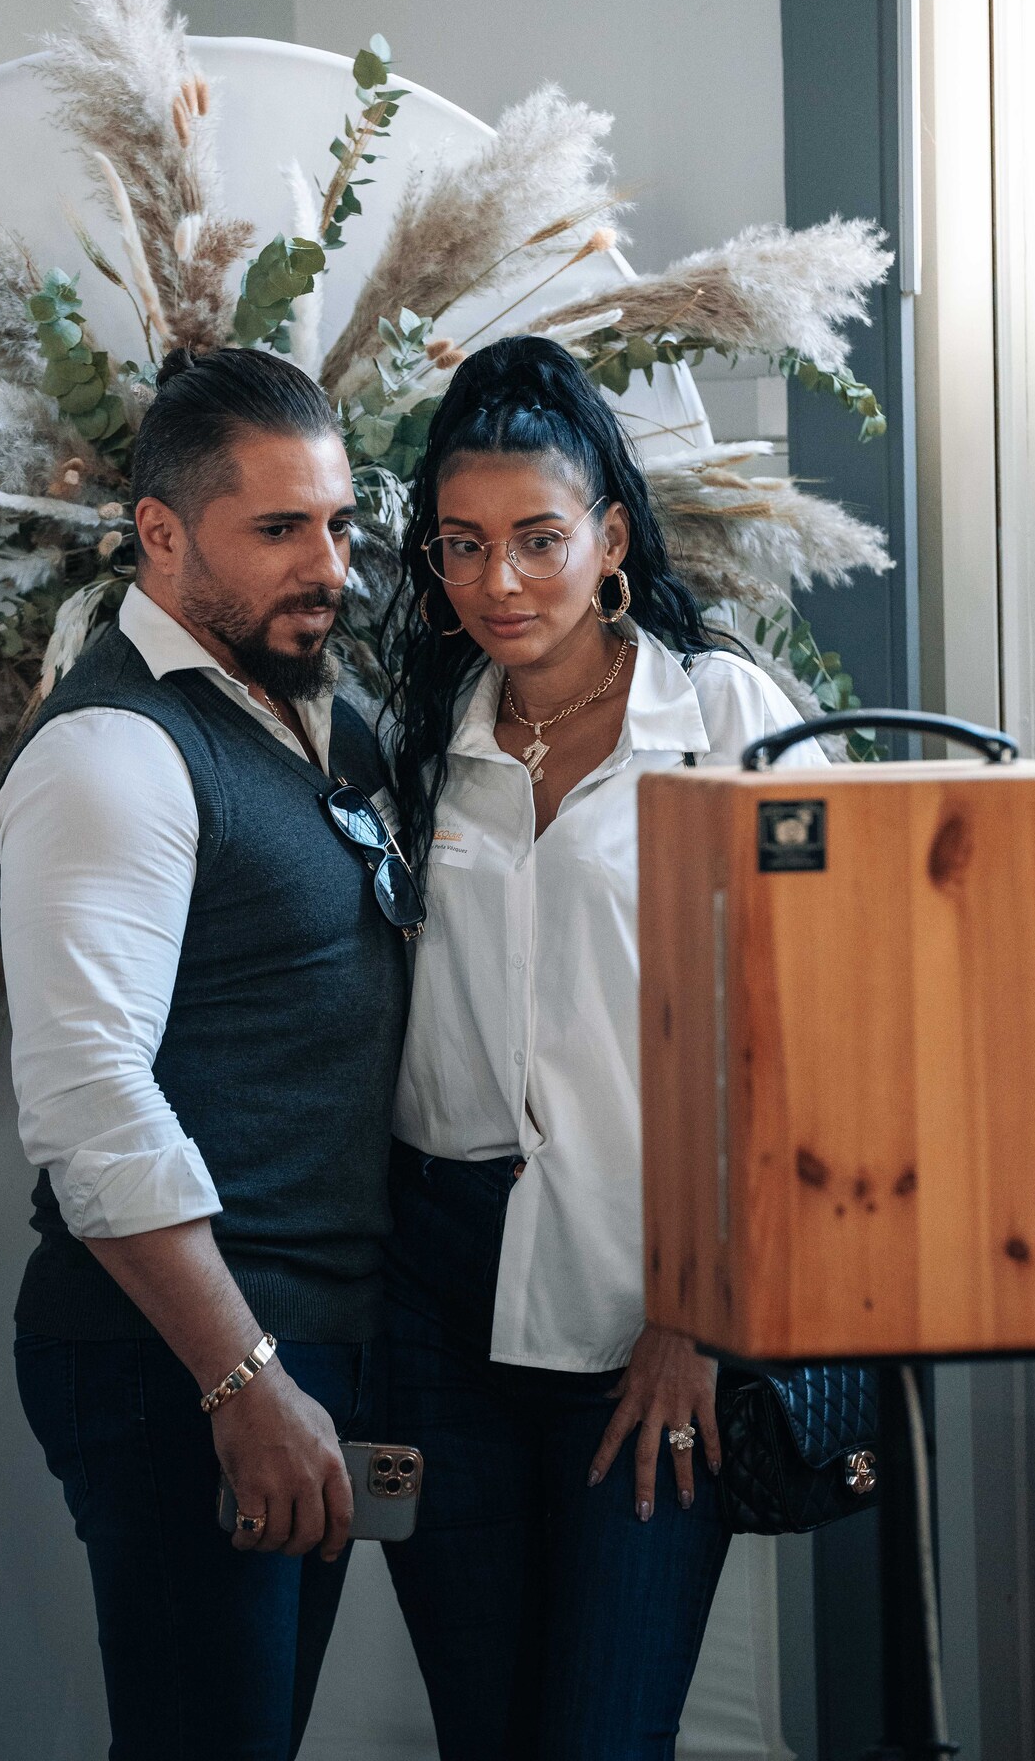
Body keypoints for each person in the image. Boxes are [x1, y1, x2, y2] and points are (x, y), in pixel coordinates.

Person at [379, 335, 826, 1761]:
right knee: (486, 1732)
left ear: (612, 537)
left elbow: (811, 1036)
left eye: (538, 539)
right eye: (461, 545)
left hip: (647, 1291)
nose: (498, 582)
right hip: (437, 1292)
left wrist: (695, 1316)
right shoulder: (417, 738)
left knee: (603, 1732)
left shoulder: (728, 721)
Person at [0, 347, 421, 1761]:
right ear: (161, 535)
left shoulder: (313, 715)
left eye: (339, 523)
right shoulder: (112, 754)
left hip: (299, 1344)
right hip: (187, 1360)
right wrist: (244, 1382)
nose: (328, 566)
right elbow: (90, 1103)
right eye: (279, 528)